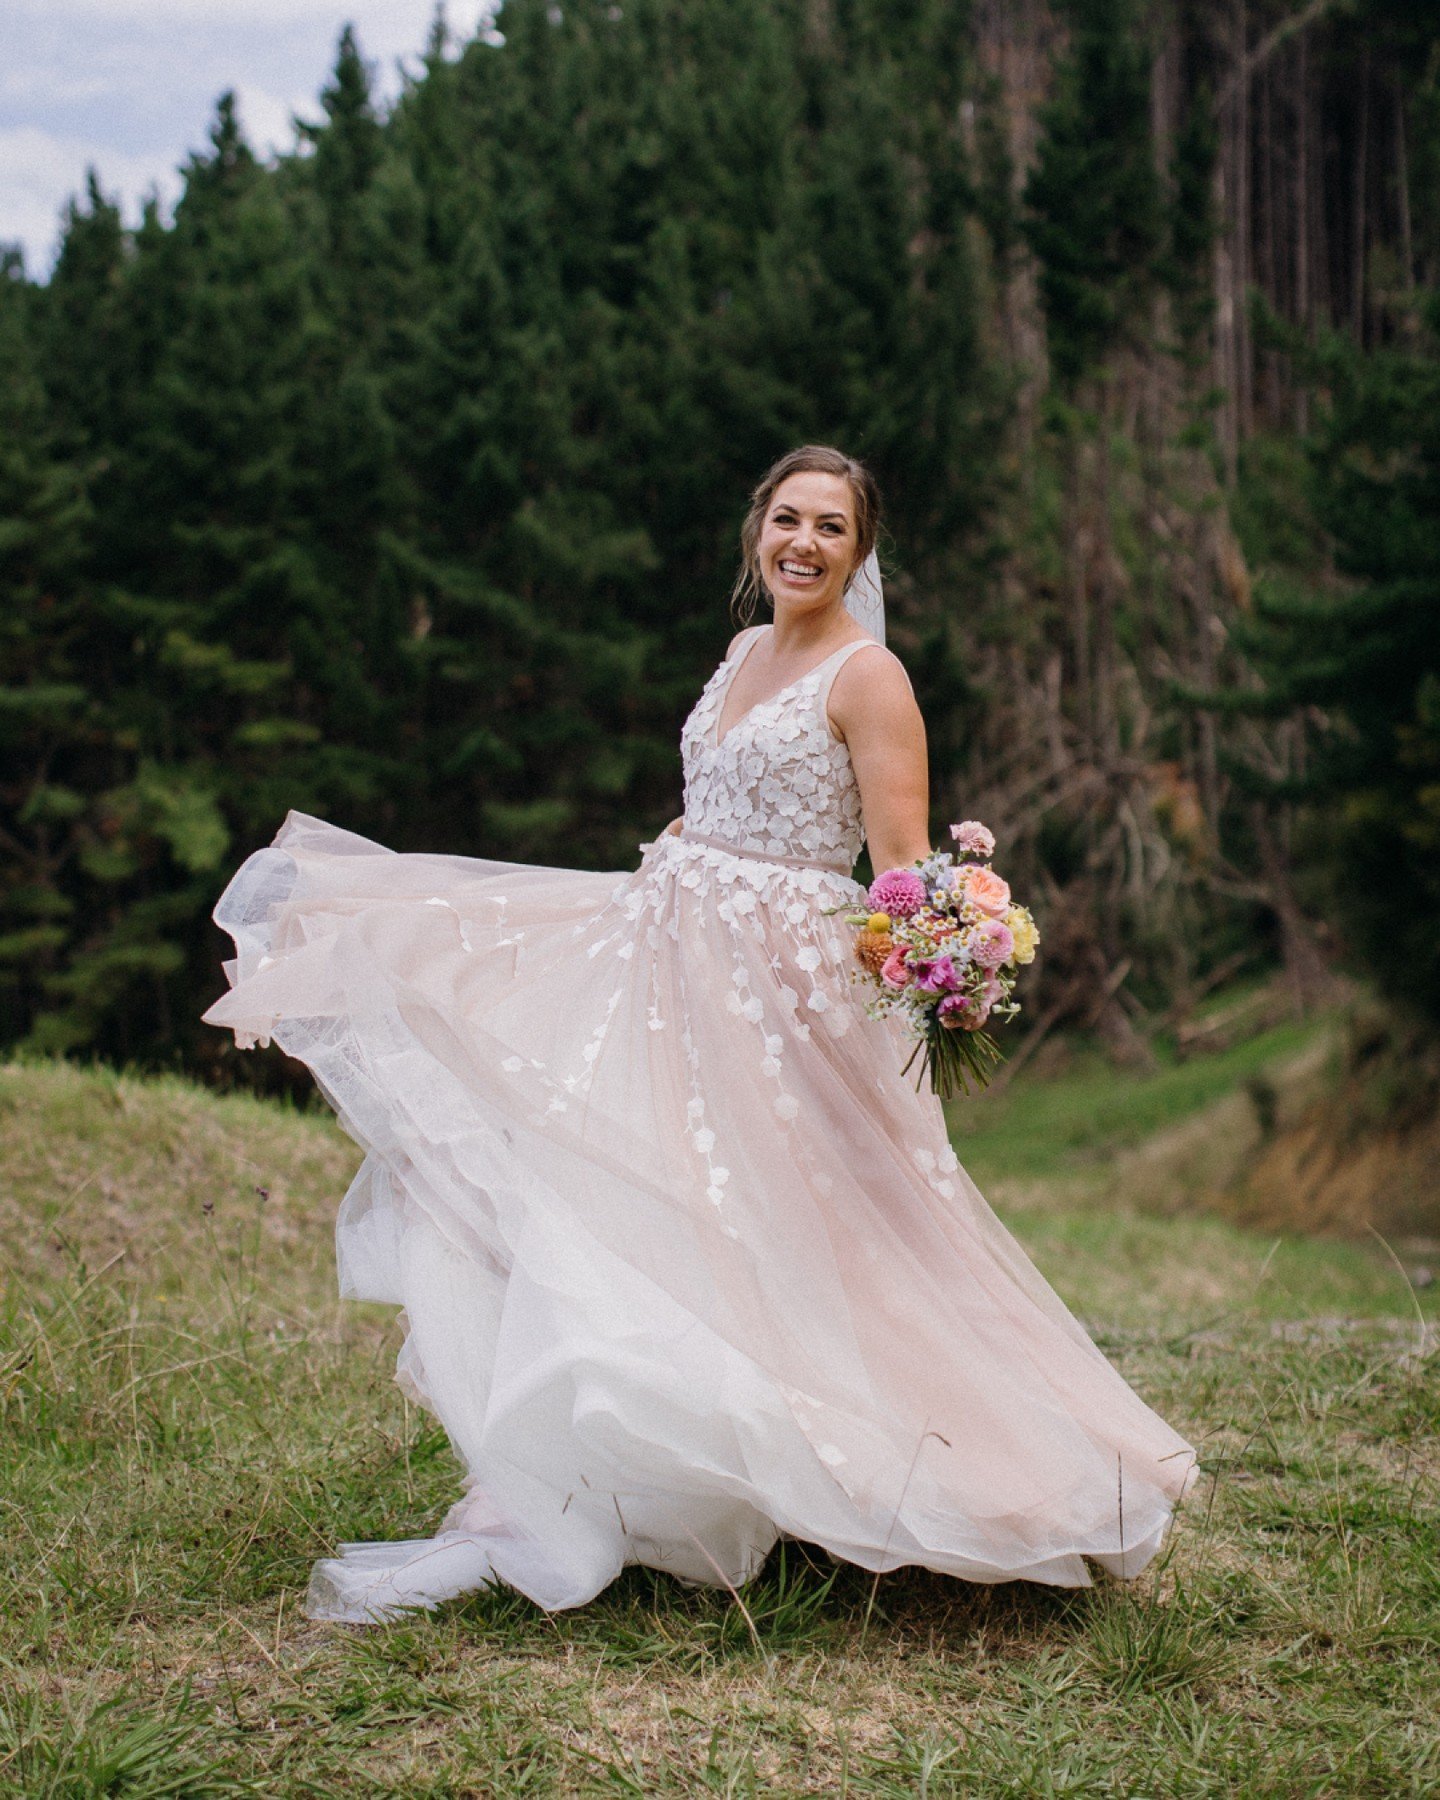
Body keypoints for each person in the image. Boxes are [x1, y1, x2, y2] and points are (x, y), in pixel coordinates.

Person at [204, 444, 1197, 1622]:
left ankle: (962, 1478)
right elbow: (724, 793)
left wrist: (941, 965)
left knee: (815, 1232)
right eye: (789, 519)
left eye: (833, 527)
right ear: (756, 531)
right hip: (668, 951)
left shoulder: (870, 677)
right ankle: (639, 1469)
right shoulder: (743, 652)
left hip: (777, 998)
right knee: (629, 1199)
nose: (805, 544)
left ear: (860, 550)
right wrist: (681, 854)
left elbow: (895, 866)